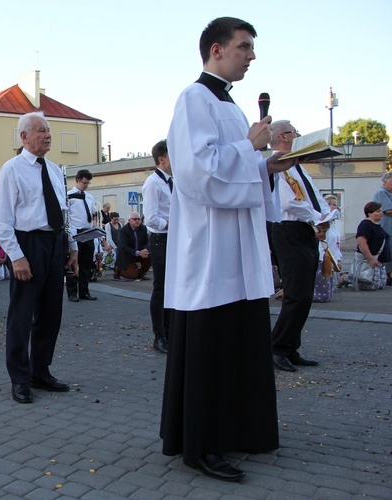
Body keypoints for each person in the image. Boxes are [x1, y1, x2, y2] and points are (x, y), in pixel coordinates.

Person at [160, 17, 295, 482]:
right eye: (244, 47)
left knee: (239, 339)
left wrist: (268, 164)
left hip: (238, 245)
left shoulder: (231, 107)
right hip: (210, 248)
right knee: (211, 344)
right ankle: (202, 444)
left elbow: (238, 167)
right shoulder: (193, 99)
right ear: (216, 50)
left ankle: (240, 430)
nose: (251, 56)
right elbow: (198, 174)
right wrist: (248, 146)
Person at [0, 111, 78, 404]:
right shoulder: (12, 169)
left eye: (49, 130)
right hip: (27, 244)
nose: (48, 135)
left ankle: (40, 371)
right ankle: (19, 378)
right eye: (41, 130)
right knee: (22, 314)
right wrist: (17, 257)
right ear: (24, 136)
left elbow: (63, 210)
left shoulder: (55, 169)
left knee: (51, 313)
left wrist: (72, 246)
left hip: (54, 244)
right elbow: (2, 221)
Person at [270, 120, 330, 373]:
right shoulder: (277, 165)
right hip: (288, 230)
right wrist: (317, 217)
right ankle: (277, 347)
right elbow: (289, 203)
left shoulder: (296, 166)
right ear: (284, 135)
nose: (298, 135)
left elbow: (315, 197)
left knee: (303, 293)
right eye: (295, 132)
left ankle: (290, 346)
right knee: (297, 294)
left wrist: (325, 216)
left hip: (302, 231)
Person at [141, 140, 173, 354]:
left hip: (174, 238)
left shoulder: (172, 181)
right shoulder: (153, 182)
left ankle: (171, 332)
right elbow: (151, 218)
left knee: (174, 288)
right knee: (161, 289)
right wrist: (173, 223)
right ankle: (159, 336)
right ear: (162, 159)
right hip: (161, 239)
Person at [66, 169, 97, 302]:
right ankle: (72, 292)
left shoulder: (89, 197)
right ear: (77, 180)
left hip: (87, 231)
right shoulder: (69, 196)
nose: (86, 186)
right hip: (75, 232)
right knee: (73, 262)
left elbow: (91, 214)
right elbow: (67, 217)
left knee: (86, 264)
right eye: (84, 183)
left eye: (88, 183)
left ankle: (84, 291)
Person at [351, 201, 389, 291]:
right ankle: (346, 278)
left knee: (380, 285)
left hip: (378, 260)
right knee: (371, 285)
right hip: (368, 260)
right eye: (378, 211)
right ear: (370, 214)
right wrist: (371, 258)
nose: (381, 213)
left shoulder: (378, 226)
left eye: (381, 211)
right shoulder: (366, 224)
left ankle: (348, 278)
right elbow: (361, 242)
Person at [115, 212, 150, 280]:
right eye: (134, 219)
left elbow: (147, 242)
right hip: (127, 256)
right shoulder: (123, 231)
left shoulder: (143, 228)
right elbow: (123, 247)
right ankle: (118, 270)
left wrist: (145, 250)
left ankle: (141, 273)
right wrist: (138, 253)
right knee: (132, 276)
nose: (137, 221)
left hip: (139, 253)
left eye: (138, 219)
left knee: (149, 256)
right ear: (129, 220)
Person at [372, 172, 392, 284]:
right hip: (386, 228)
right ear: (385, 182)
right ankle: (386, 277)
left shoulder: (389, 193)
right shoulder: (381, 193)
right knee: (386, 252)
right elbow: (388, 210)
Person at [323, 194, 346, 286]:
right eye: (334, 204)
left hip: (334, 259)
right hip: (326, 259)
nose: (336, 207)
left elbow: (336, 245)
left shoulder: (332, 224)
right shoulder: (323, 224)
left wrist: (338, 259)